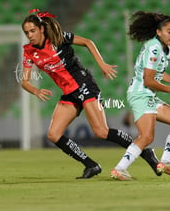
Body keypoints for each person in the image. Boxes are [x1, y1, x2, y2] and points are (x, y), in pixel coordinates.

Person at [20, 9, 160, 179]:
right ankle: (91, 165)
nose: (30, 35)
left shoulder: (58, 38)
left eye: (32, 31)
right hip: (68, 93)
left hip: (84, 85)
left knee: (101, 131)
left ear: (42, 29)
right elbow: (24, 81)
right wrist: (36, 90)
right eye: (27, 32)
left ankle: (146, 153)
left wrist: (102, 64)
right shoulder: (29, 51)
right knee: (53, 134)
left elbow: (87, 42)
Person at [110, 11, 170, 181]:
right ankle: (119, 169)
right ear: (158, 32)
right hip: (141, 93)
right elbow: (148, 80)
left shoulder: (166, 48)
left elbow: (158, 72)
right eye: (169, 31)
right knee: (146, 137)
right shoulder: (153, 47)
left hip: (148, 95)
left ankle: (165, 162)